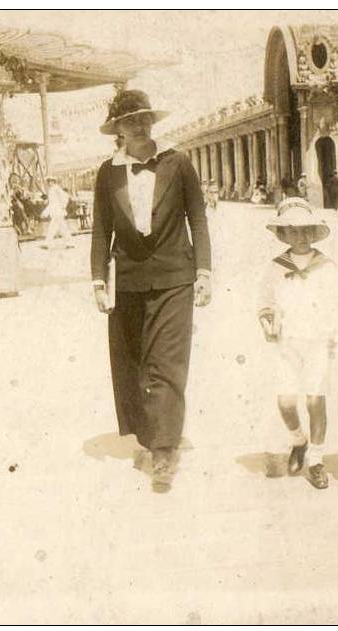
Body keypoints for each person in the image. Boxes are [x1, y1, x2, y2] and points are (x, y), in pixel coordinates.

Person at [89, 89, 213, 492]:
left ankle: (164, 449)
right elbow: (100, 230)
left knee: (167, 363)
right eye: (130, 121)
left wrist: (205, 271)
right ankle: (149, 436)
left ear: (152, 122)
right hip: (128, 280)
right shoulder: (108, 173)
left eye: (144, 118)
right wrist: (97, 279)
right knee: (136, 364)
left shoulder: (178, 163)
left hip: (176, 276)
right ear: (118, 130)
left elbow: (197, 217)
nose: (139, 126)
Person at [257, 197, 338, 490]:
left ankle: (317, 460)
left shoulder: (326, 266)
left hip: (318, 341)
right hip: (287, 342)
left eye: (306, 229)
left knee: (314, 399)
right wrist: (267, 321)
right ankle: (299, 440)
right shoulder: (274, 267)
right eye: (292, 231)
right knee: (285, 401)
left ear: (314, 232)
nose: (300, 236)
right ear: (282, 235)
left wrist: (336, 331)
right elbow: (265, 303)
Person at [41, 177, 73, 249]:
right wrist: (45, 212)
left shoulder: (56, 188)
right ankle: (69, 243)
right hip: (56, 212)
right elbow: (51, 203)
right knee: (63, 228)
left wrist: (63, 206)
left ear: (53, 181)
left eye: (50, 181)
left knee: (52, 227)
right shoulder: (52, 189)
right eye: (48, 181)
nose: (49, 183)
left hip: (58, 211)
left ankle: (47, 243)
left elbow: (65, 196)